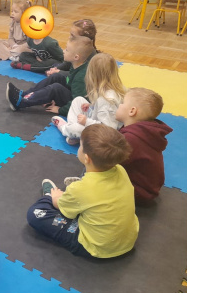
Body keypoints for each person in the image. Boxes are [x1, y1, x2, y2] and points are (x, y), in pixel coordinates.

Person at [26, 124, 139, 258]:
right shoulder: (121, 170)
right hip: (127, 242)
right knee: (87, 176)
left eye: (80, 145)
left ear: (86, 158)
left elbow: (60, 207)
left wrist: (55, 197)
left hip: (97, 248)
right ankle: (75, 201)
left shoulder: (79, 189)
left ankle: (49, 195)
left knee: (35, 213)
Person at [5, 35, 95, 116]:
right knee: (56, 77)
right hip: (72, 92)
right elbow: (69, 80)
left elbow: (78, 104)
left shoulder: (81, 77)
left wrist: (60, 110)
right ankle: (24, 94)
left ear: (76, 57)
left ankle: (20, 103)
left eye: (67, 50)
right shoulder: (76, 64)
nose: (63, 51)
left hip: (74, 104)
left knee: (56, 88)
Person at [51, 53, 125, 145]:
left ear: (92, 75)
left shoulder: (106, 99)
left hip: (103, 135)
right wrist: (92, 105)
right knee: (78, 100)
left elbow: (108, 129)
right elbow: (106, 111)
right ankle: (74, 133)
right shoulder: (112, 89)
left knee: (75, 129)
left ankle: (65, 129)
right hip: (97, 121)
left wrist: (87, 121)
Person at [115, 87, 173, 206]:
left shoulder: (131, 138)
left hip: (138, 192)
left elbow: (108, 162)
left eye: (122, 103)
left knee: (94, 170)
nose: (119, 105)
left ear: (132, 111)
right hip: (147, 189)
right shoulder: (143, 131)